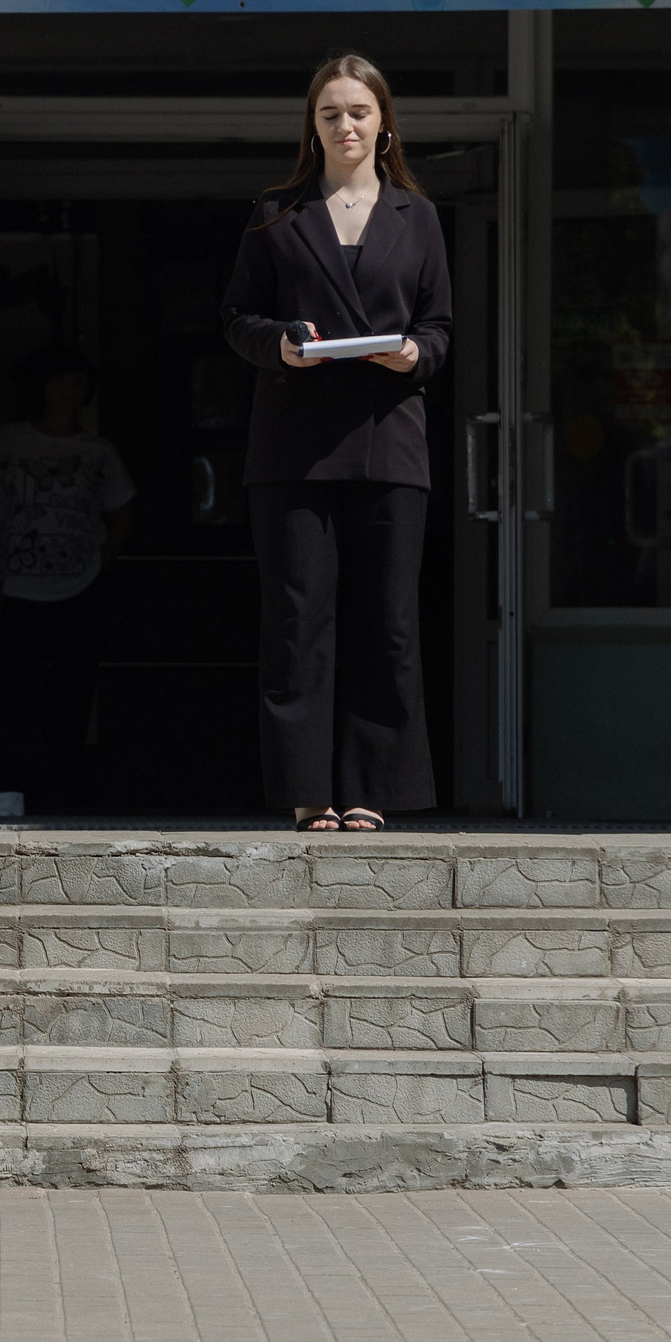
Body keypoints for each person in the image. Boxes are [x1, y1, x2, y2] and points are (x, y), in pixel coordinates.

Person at [222, 52, 452, 832]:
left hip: (390, 444)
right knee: (298, 619)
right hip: (293, 448)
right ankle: (307, 790)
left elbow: (440, 329)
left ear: (383, 122)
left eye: (358, 112)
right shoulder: (276, 211)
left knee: (385, 620)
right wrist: (279, 344)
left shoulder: (416, 216)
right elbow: (237, 320)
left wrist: (415, 354)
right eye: (330, 114)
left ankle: (370, 787)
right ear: (312, 127)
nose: (345, 126)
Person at [0, 348, 135, 798]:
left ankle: (65, 787)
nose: (69, 391)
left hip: (80, 584)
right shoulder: (5, 441)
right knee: (16, 690)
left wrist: (108, 554)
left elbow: (123, 507)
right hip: (14, 586)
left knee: (72, 690)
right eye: (60, 380)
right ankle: (14, 782)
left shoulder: (97, 450)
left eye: (78, 382)